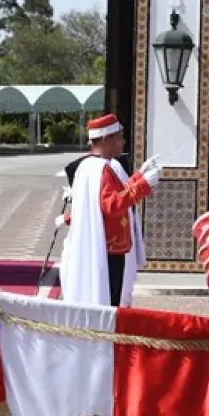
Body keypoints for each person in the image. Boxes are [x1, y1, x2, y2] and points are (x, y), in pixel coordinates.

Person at [56, 113, 160, 307]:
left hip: (106, 244)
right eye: (119, 138)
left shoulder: (87, 167)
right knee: (110, 301)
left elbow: (116, 192)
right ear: (105, 139)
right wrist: (144, 185)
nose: (122, 143)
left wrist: (138, 177)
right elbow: (111, 205)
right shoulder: (102, 168)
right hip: (110, 249)